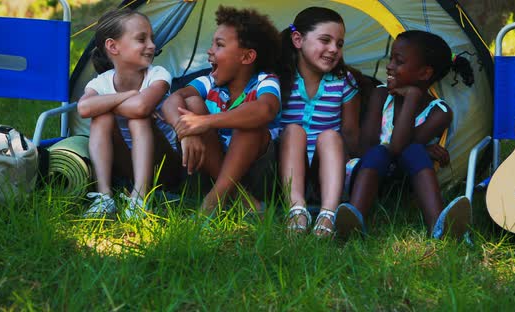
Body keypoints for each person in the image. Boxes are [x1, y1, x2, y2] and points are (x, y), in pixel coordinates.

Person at [334, 30, 475, 239]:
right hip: (366, 173)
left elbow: (402, 148)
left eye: (398, 61)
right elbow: (366, 148)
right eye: (391, 58)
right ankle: (354, 221)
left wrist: (412, 97)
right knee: (382, 153)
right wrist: (424, 148)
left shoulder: (439, 112)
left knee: (413, 151)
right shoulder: (380, 94)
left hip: (404, 181)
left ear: (424, 73)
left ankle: (438, 226)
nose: (389, 66)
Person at [162, 6, 280, 217]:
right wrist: (186, 131)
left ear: (246, 57)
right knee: (192, 102)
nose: (210, 50)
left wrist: (206, 122)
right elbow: (172, 101)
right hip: (204, 169)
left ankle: (211, 203)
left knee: (249, 121)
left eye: (220, 45)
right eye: (212, 43)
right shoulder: (208, 82)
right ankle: (241, 199)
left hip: (255, 173)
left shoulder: (265, 81)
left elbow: (266, 109)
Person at [77, 9, 182, 219]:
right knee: (102, 117)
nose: (152, 45)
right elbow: (83, 109)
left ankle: (140, 200)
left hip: (166, 166)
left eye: (151, 38)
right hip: (125, 165)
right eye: (142, 39)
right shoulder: (102, 82)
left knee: (138, 120)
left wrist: (105, 103)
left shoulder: (158, 75)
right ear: (113, 46)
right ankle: (103, 197)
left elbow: (141, 108)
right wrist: (132, 95)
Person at [278, 7, 361, 237]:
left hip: (326, 174)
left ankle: (328, 214)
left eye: (340, 44)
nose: (334, 49)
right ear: (298, 39)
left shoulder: (343, 81)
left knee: (331, 136)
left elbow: (351, 133)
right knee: (293, 130)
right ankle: (296, 210)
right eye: (325, 40)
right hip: (282, 173)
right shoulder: (279, 76)